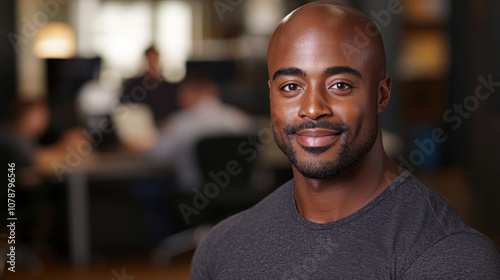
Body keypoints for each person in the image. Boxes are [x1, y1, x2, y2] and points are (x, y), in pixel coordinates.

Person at [190, 2, 500, 279]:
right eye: (290, 86)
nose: (312, 108)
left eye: (340, 85)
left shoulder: (449, 256)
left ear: (381, 94)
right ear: (270, 94)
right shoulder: (221, 249)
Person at [147, 74, 254, 192]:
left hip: (196, 197)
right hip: (242, 194)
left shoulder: (179, 123)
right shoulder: (242, 120)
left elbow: (158, 156)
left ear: (190, 94)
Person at [120, 46, 179, 126]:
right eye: (149, 60)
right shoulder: (132, 86)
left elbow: (175, 112)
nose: (152, 65)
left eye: (154, 60)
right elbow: (124, 108)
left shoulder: (170, 88)